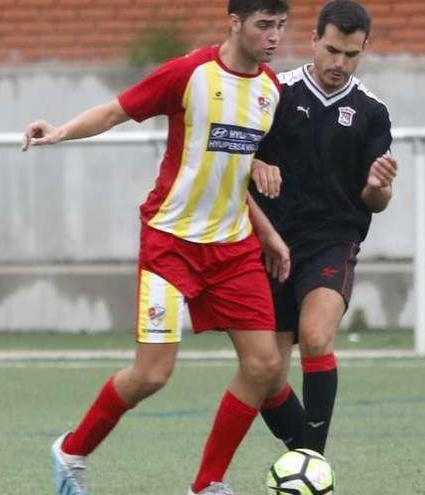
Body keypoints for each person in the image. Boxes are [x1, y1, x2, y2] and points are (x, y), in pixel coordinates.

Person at [22, 2, 293, 494]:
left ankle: (208, 484)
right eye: (264, 25)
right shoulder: (189, 74)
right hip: (171, 245)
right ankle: (71, 451)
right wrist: (61, 131)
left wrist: (268, 234)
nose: (274, 36)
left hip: (232, 250)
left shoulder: (271, 91)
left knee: (265, 364)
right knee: (151, 374)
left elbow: (234, 174)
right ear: (235, 22)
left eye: (280, 26)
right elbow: (113, 111)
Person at [251, 0, 399, 455]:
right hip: (271, 242)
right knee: (263, 372)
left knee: (316, 337)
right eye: (332, 50)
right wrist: (255, 164)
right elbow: (231, 156)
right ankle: (307, 455)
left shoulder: (372, 112)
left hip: (332, 243)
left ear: (364, 49)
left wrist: (379, 186)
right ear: (314, 40)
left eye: (351, 55)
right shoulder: (276, 91)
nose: (339, 64)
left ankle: (312, 461)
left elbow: (375, 201)